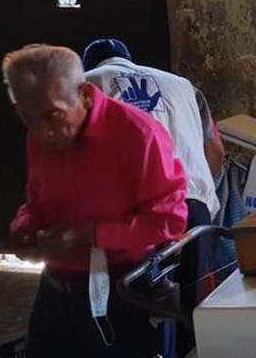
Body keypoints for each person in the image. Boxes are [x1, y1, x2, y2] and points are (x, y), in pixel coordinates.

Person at [5, 45, 188, 358]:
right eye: (27, 118)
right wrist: (26, 228)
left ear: (85, 94)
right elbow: (36, 203)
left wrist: (90, 236)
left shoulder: (137, 134)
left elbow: (170, 221)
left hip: (124, 290)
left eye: (53, 116)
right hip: (59, 287)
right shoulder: (40, 136)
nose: (42, 132)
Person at [82, 39, 219, 335]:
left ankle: (142, 357)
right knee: (193, 302)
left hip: (134, 210)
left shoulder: (83, 84)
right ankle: (195, 357)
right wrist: (204, 196)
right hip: (192, 204)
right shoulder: (182, 86)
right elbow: (216, 152)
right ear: (130, 59)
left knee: (134, 298)